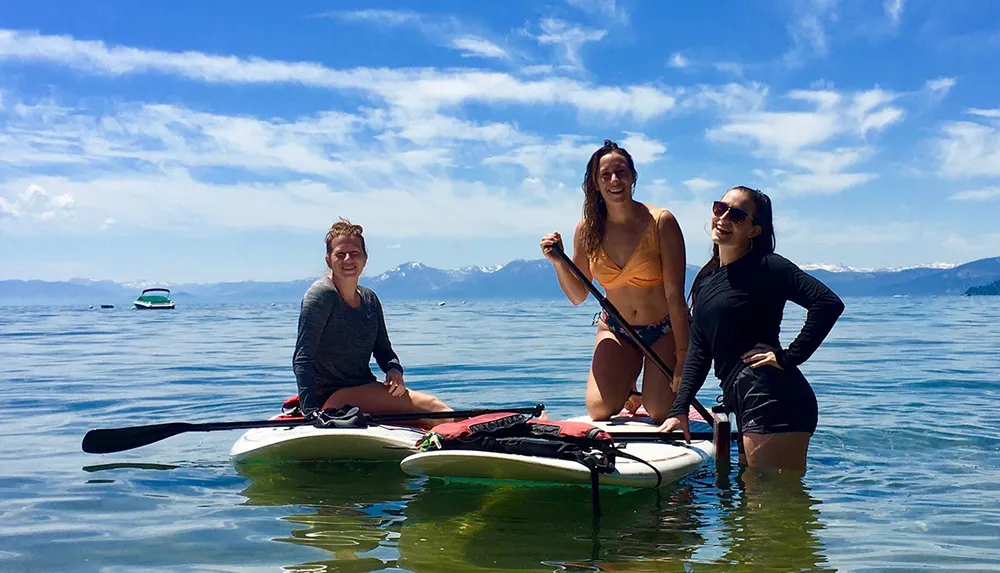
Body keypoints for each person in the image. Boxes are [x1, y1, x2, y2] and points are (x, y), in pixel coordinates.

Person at [659, 186, 845, 472]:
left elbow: (828, 303)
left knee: (772, 504)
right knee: (755, 506)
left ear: (754, 230)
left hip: (774, 397)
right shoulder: (706, 279)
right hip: (742, 396)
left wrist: (787, 356)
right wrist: (679, 408)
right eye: (720, 208)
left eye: (736, 215)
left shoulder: (767, 267)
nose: (723, 218)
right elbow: (699, 348)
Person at [539, 140, 690, 423]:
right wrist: (559, 264)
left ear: (633, 176)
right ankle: (629, 384)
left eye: (621, 172)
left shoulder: (661, 221)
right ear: (595, 183)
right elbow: (577, 296)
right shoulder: (587, 230)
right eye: (605, 175)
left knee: (659, 411)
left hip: (664, 328)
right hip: (616, 328)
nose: (614, 180)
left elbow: (675, 298)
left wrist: (683, 360)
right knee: (599, 410)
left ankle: (642, 386)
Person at [292, 217, 452, 428]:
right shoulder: (321, 296)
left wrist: (394, 370)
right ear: (329, 260)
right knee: (434, 409)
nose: (348, 259)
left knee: (429, 416)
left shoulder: (370, 299)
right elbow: (302, 359)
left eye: (354, 253)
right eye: (340, 254)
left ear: (365, 258)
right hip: (331, 398)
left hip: (363, 387)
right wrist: (311, 413)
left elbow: (384, 351)